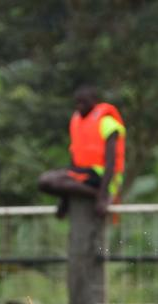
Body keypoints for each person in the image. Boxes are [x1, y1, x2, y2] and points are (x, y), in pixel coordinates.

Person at [38, 85, 125, 218]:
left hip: (101, 177)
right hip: (83, 174)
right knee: (46, 181)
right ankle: (76, 197)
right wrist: (64, 198)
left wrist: (102, 196)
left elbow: (110, 163)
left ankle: (100, 195)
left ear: (95, 101)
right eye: (77, 103)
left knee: (51, 181)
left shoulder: (107, 123)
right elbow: (75, 158)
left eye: (84, 102)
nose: (80, 106)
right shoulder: (77, 122)